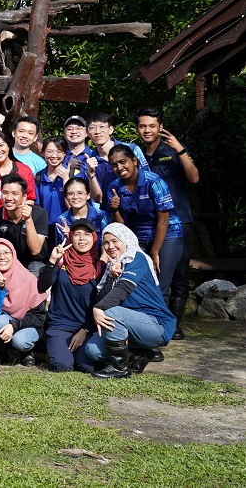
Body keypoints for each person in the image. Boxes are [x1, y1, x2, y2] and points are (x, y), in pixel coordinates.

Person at [136, 108, 198, 340]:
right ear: (137, 129)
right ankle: (154, 321)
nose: (147, 130)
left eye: (152, 126)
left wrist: (180, 149)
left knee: (179, 273)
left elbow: (194, 178)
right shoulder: (139, 156)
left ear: (159, 127)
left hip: (179, 220)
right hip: (150, 222)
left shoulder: (173, 150)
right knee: (153, 271)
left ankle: (175, 323)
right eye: (143, 126)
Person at [85, 223, 176, 378]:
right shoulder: (111, 266)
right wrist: (111, 279)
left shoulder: (137, 258)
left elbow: (124, 288)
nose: (110, 246)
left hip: (156, 324)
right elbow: (102, 298)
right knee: (92, 350)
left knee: (111, 312)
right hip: (128, 324)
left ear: (126, 240)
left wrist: (98, 308)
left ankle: (119, 368)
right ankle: (139, 353)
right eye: (105, 242)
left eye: (115, 241)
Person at [104, 145, 184, 306]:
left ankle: (165, 327)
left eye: (123, 162)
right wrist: (114, 209)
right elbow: (120, 227)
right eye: (114, 164)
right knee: (137, 282)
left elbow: (164, 219)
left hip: (167, 233)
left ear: (134, 160)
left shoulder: (154, 182)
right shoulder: (114, 187)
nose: (119, 167)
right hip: (136, 235)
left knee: (160, 284)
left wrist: (154, 252)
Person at [39, 219, 101, 373]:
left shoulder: (99, 266)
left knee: (87, 366)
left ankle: (67, 351)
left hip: (87, 329)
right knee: (63, 365)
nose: (82, 239)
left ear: (93, 238)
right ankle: (55, 347)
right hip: (60, 326)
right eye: (77, 234)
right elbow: (42, 286)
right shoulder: (61, 261)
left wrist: (85, 330)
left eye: (87, 235)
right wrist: (52, 260)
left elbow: (101, 304)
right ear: (70, 237)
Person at [0, 239, 48, 367]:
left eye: (7, 252)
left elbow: (39, 317)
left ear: (13, 255)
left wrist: (14, 326)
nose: (2, 257)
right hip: (6, 321)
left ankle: (26, 352)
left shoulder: (29, 279)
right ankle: (0, 352)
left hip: (29, 323)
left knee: (20, 340)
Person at [0, 173, 50, 276]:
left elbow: (35, 250)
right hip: (6, 260)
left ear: (24, 197)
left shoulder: (40, 214)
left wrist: (28, 220)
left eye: (14, 194)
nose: (9, 198)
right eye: (5, 193)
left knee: (33, 283)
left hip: (34, 261)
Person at [87, 112, 149, 202]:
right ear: (88, 133)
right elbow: (97, 199)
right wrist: (91, 174)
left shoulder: (131, 149)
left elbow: (148, 178)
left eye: (102, 127)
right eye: (92, 128)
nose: (97, 131)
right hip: (110, 212)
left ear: (111, 129)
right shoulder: (89, 160)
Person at [35, 135, 70, 235]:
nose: (54, 155)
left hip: (68, 227)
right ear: (43, 153)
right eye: (49, 151)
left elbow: (76, 203)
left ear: (64, 154)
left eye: (59, 151)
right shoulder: (38, 177)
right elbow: (37, 205)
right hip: (45, 228)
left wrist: (66, 179)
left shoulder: (73, 174)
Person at [61, 114, 95, 181]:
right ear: (64, 134)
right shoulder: (58, 156)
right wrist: (67, 165)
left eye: (79, 128)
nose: (74, 132)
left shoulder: (94, 155)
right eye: (69, 129)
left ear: (87, 133)